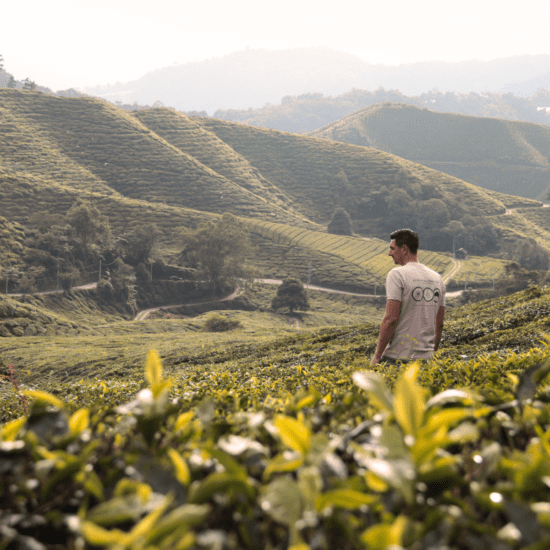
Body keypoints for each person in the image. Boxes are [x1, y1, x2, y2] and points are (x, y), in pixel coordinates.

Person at [372, 228, 445, 365]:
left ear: (404, 249)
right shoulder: (437, 278)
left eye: (392, 249)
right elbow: (439, 323)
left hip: (398, 357)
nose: (389, 253)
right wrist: (430, 352)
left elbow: (391, 319)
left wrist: (377, 356)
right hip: (426, 359)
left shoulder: (397, 275)